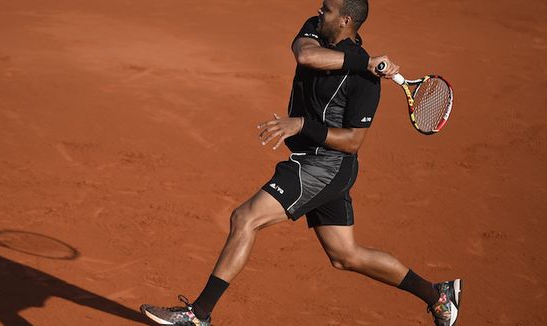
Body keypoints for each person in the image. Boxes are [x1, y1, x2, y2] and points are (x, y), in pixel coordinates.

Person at [139, 0, 462, 325]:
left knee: (245, 218)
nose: (320, 12)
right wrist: (362, 62)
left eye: (328, 9)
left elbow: (352, 141)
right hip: (317, 162)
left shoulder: (365, 83)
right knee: (345, 256)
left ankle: (198, 315)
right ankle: (439, 297)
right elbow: (306, 55)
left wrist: (302, 125)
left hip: (326, 165)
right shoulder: (318, 33)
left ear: (346, 20)